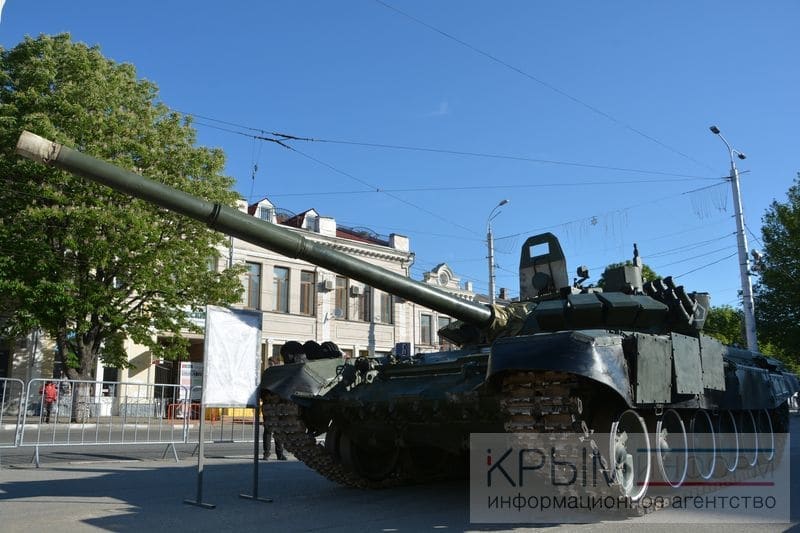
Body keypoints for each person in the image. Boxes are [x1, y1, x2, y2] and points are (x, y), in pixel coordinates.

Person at [262, 357, 286, 460]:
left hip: (278, 405)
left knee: (278, 431)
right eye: (270, 363)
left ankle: (279, 453)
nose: (271, 365)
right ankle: (266, 453)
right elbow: (262, 389)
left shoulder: (280, 375)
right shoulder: (266, 375)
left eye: (272, 363)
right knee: (268, 431)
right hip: (268, 405)